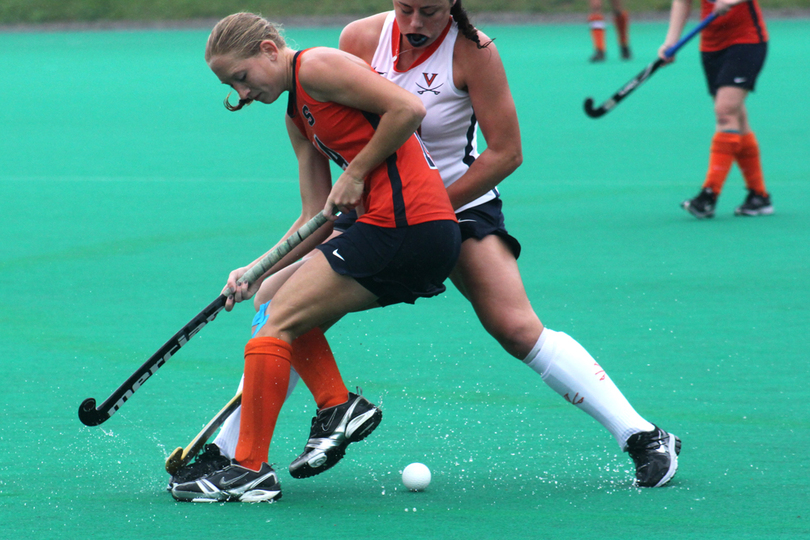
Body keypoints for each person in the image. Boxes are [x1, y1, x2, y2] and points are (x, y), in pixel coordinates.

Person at [171, 0, 681, 492]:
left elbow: (505, 152)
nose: (415, 23)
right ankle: (238, 449)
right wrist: (262, 264)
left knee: (514, 327)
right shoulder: (360, 39)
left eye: (430, 12)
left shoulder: (474, 52)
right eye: (405, 8)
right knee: (276, 304)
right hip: (373, 203)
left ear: (453, 5)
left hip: (456, 196)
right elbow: (322, 183)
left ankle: (641, 434)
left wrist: (412, 196)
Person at [170, 11, 461, 503]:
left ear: (267, 49)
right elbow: (317, 214)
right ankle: (337, 406)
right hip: (386, 227)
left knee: (276, 322)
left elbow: (408, 109)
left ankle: (248, 469)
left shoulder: (317, 66)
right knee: (272, 292)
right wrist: (257, 266)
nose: (242, 94)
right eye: (231, 87)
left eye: (241, 77)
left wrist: (357, 172)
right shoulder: (295, 115)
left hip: (409, 224)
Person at [664, 0, 772, 218]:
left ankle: (709, 195)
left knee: (725, 112)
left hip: (746, 40)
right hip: (711, 46)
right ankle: (759, 196)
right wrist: (671, 42)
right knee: (736, 118)